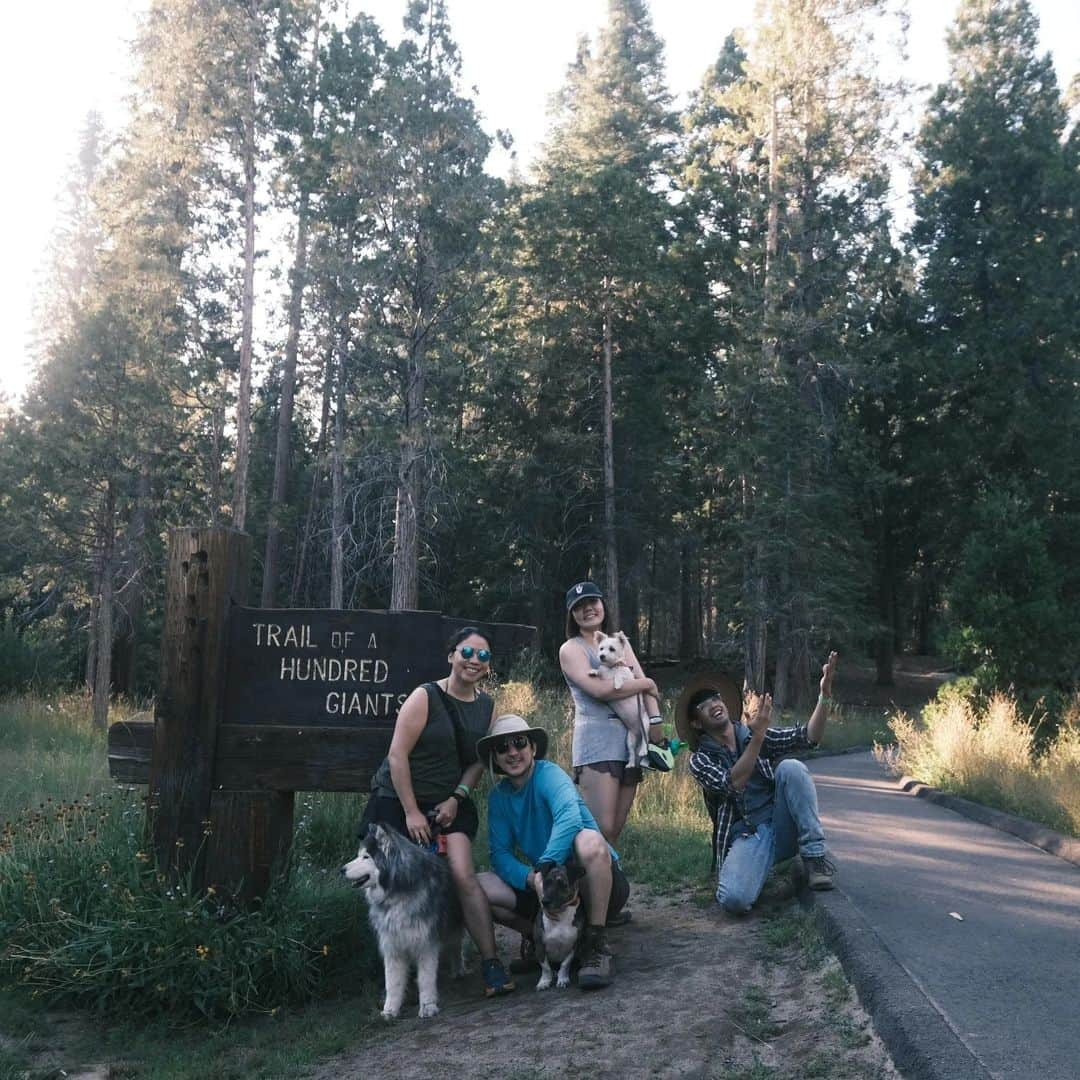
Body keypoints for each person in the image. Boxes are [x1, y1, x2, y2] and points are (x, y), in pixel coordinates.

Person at [361, 626, 514, 996]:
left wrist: (456, 798)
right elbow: (397, 756)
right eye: (467, 652)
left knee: (462, 875)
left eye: (483, 656)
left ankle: (491, 963)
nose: (474, 661)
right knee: (384, 878)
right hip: (398, 798)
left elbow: (478, 760)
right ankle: (391, 971)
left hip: (449, 802)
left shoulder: (487, 706)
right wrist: (412, 812)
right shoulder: (424, 696)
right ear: (451, 656)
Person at [475, 714, 630, 990]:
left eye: (520, 743)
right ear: (494, 758)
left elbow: (570, 818)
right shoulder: (498, 797)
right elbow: (499, 854)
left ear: (532, 748)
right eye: (502, 748)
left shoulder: (549, 774)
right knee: (478, 886)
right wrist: (531, 878)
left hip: (590, 879)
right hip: (547, 889)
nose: (512, 753)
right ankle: (543, 942)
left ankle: (595, 943)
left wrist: (545, 866)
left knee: (590, 842)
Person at [678, 652, 840, 914]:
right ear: (697, 723)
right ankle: (763, 871)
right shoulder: (700, 760)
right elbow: (733, 783)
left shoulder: (751, 734)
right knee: (734, 900)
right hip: (748, 836)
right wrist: (758, 737)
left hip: (780, 822)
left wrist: (824, 695)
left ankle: (814, 860)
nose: (712, 704)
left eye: (715, 698)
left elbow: (810, 736)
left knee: (792, 768)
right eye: (702, 705)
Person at [559, 581, 665, 845]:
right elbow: (601, 690)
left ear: (602, 604)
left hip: (632, 741)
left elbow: (643, 684)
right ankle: (580, 880)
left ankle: (606, 883)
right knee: (600, 827)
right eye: (579, 607)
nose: (588, 610)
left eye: (592, 602)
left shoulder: (618, 641)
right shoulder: (571, 649)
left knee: (616, 828)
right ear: (572, 615)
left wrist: (655, 721)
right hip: (597, 743)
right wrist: (648, 683)